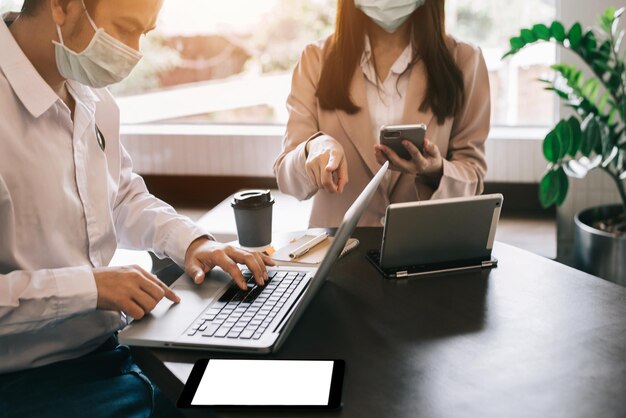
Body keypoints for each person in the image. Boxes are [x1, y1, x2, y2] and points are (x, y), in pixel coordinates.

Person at [0, 0, 274, 416]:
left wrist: (192, 242)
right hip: (27, 381)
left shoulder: (94, 99)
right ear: (62, 5)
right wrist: (89, 288)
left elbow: (122, 196)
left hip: (114, 348)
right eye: (125, 28)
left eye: (143, 33)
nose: (134, 52)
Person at [274, 0, 490, 227]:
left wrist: (435, 170)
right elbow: (286, 178)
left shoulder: (465, 60)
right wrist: (312, 148)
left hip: (425, 246)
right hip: (338, 250)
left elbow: (472, 177)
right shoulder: (315, 59)